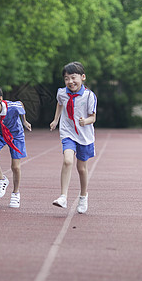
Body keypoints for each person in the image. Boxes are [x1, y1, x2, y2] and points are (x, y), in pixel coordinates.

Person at [49, 61, 97, 213]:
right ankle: (63, 196)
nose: (70, 81)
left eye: (73, 77)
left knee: (81, 168)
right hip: (68, 132)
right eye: (66, 78)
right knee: (68, 160)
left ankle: (83, 196)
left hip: (84, 135)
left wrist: (86, 121)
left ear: (83, 77)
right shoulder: (61, 92)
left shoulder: (89, 96)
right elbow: (59, 103)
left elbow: (93, 117)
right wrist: (56, 120)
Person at [0, 84, 32, 208]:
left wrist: (24, 121)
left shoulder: (13, 107)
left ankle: (15, 193)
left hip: (16, 135)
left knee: (15, 167)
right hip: (0, 134)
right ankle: (2, 179)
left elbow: (21, 105)